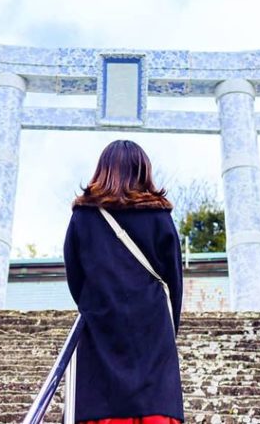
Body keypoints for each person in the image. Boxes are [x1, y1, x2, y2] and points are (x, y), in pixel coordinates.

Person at [63, 139, 185, 424]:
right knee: (155, 411)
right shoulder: (159, 216)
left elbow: (75, 277)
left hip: (100, 326)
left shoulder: (83, 217)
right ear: (143, 171)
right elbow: (174, 282)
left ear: (102, 170)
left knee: (102, 410)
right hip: (152, 327)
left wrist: (96, 304)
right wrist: (169, 331)